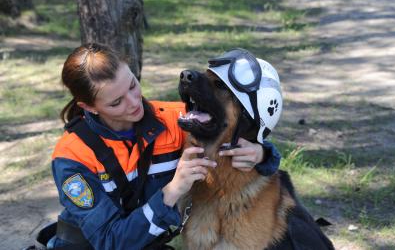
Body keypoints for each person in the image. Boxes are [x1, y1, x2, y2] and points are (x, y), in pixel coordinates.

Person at [46, 43, 282, 249]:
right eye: (117, 102)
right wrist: (173, 190)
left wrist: (261, 153)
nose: (133, 103)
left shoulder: (174, 120)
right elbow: (111, 242)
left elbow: (234, 129)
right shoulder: (72, 158)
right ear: (89, 107)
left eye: (132, 85)